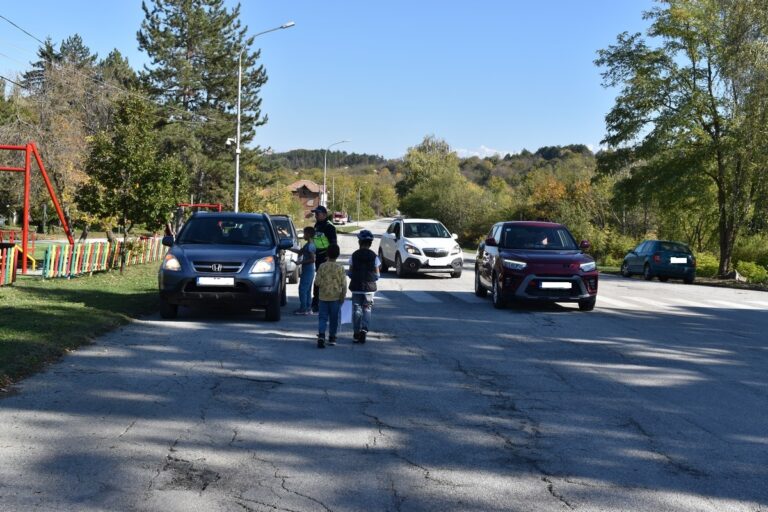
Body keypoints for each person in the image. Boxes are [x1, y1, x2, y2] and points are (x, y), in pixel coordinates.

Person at [348, 229, 380, 344]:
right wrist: (374, 279)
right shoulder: (374, 256)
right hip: (369, 288)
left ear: (359, 242)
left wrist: (354, 277)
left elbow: (350, 272)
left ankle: (356, 333)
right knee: (367, 308)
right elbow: (377, 274)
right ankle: (364, 329)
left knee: (357, 309)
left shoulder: (354, 255)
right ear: (370, 243)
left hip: (356, 287)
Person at [314, 243, 346, 348]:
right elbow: (344, 284)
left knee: (322, 317)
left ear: (327, 254)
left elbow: (317, 282)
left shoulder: (322, 266)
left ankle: (321, 335)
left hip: (323, 297)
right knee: (334, 318)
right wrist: (343, 297)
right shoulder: (340, 268)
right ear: (338, 255)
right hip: (336, 298)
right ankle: (332, 337)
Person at [310, 205, 337, 313]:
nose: (315, 215)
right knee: (318, 280)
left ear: (324, 215)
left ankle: (326, 303)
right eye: (315, 213)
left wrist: (330, 257)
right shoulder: (317, 225)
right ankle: (316, 302)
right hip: (317, 256)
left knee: (326, 281)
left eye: (317, 213)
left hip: (326, 256)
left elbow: (333, 243)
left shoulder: (329, 226)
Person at [291, 226, 316, 315]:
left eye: (304, 233)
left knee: (302, 289)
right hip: (308, 269)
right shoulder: (308, 245)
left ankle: (303, 308)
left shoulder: (310, 246)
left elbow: (313, 259)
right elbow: (300, 252)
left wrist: (301, 262)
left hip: (308, 269)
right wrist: (288, 248)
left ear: (308, 234)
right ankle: (308, 308)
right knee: (307, 289)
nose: (303, 235)